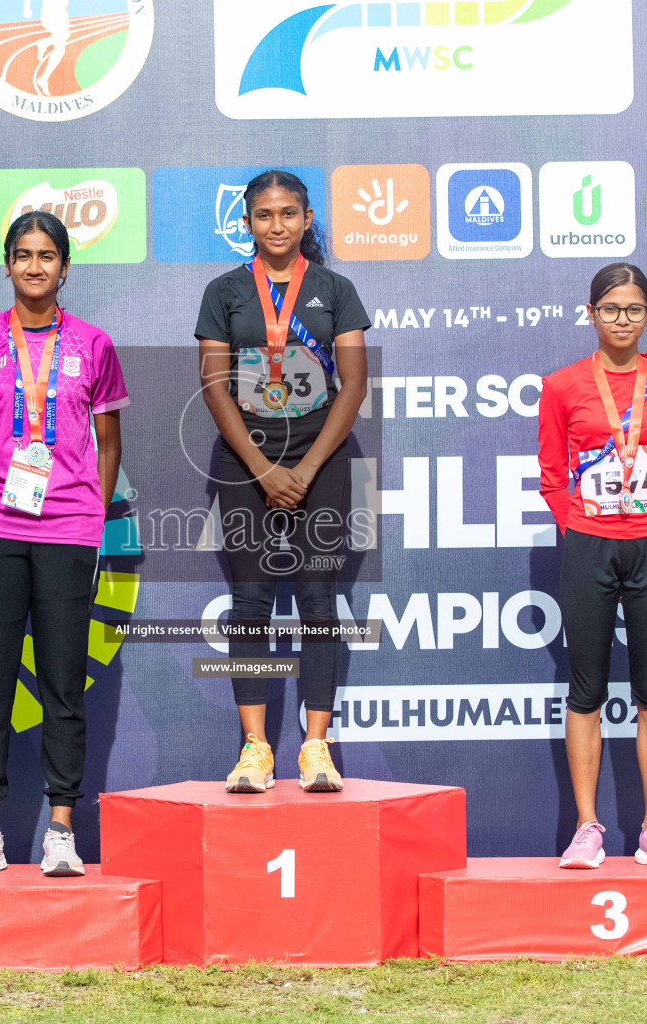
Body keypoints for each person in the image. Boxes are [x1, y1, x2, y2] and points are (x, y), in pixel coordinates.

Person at [0, 211, 127, 877]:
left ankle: (62, 831)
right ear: (8, 264)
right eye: (23, 254)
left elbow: (109, 445)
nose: (36, 266)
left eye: (48, 255)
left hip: (67, 533)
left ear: (65, 267)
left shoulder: (95, 345)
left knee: (62, 687)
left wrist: (88, 517)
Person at [195, 169, 370, 793]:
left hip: (322, 463)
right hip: (246, 465)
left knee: (319, 605)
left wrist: (306, 469)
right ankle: (256, 749)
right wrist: (266, 470)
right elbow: (215, 387)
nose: (277, 226)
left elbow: (353, 386)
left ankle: (315, 748)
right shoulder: (225, 292)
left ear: (306, 219)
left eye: (289, 214)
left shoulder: (334, 289)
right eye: (265, 215)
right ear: (247, 222)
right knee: (250, 605)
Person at [538, 263, 647, 870]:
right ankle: (587, 829)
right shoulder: (563, 386)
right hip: (589, 545)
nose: (621, 319)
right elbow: (552, 474)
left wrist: (644, 510)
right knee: (587, 689)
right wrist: (582, 523)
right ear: (591, 314)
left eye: (632, 309)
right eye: (610, 309)